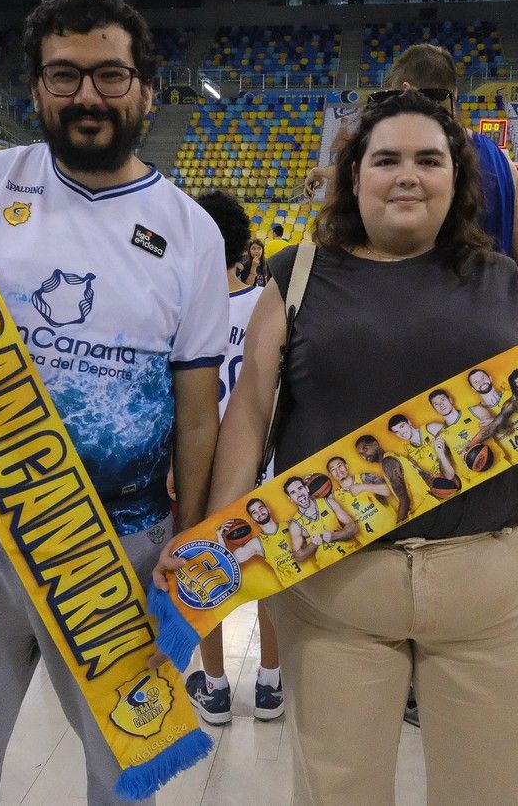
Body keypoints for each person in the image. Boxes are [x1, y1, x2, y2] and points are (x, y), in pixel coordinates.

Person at [157, 90, 518, 803]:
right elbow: (250, 410)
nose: (408, 174)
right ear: (354, 177)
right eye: (388, 159)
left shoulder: (499, 277)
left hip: (489, 590)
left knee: (501, 788)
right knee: (337, 791)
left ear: (456, 180)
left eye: (429, 159)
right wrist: (217, 534)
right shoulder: (298, 272)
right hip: (336, 587)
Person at [0, 0, 228, 806]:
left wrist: (190, 531)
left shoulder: (191, 231)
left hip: (116, 546)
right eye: (63, 76)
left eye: (110, 76)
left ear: (145, 88)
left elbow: (196, 406)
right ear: (37, 89)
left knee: (122, 774)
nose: (87, 97)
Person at [303, 44, 518, 304]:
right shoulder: (504, 164)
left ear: (407, 92)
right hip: (497, 315)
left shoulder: (416, 179)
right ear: (454, 94)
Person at [184, 189, 284, 727]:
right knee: (266, 574)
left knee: (207, 571)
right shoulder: (270, 303)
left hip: (202, 464)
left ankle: (216, 687)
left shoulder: (181, 308)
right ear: (245, 247)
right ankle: (270, 683)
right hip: (263, 461)